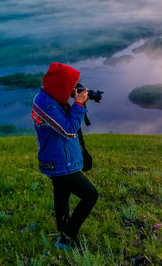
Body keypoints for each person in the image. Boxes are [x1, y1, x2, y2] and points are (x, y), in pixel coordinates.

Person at [31, 62, 98, 249]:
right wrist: (77, 103)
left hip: (61, 159)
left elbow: (71, 127)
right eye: (71, 84)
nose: (73, 88)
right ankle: (67, 238)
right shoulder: (44, 103)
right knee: (90, 195)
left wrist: (81, 99)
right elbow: (69, 129)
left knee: (62, 195)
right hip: (59, 162)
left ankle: (63, 228)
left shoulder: (53, 97)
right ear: (60, 85)